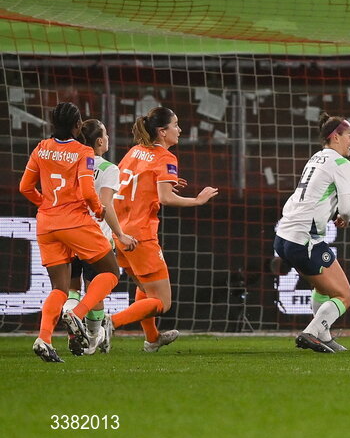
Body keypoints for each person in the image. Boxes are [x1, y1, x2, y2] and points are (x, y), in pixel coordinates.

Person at [19, 102, 137, 362]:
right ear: (76, 126)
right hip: (75, 222)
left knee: (59, 288)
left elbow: (25, 187)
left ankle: (44, 339)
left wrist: (46, 205)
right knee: (110, 272)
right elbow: (86, 191)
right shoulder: (83, 152)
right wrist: (98, 210)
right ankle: (78, 313)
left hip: (47, 224)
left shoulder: (41, 148)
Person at [106, 106, 218, 352]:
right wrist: (198, 200)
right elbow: (166, 198)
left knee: (145, 289)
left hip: (120, 232)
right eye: (175, 125)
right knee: (161, 301)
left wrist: (159, 184)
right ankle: (109, 323)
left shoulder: (135, 151)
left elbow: (126, 182)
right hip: (141, 235)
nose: (179, 129)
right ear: (162, 131)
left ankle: (152, 339)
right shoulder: (166, 157)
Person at [274, 114, 350, 353]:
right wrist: (344, 218)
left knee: (322, 289)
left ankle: (324, 335)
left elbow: (338, 192)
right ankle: (311, 332)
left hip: (284, 236)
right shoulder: (341, 163)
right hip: (305, 239)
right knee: (344, 296)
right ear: (335, 136)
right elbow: (346, 207)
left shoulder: (317, 158)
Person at [62, 119, 124, 355]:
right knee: (96, 290)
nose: (108, 138)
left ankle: (76, 337)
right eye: (106, 134)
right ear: (99, 141)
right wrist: (120, 233)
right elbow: (105, 204)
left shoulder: (72, 165)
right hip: (95, 238)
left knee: (71, 290)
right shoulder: (109, 168)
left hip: (69, 233)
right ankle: (92, 339)